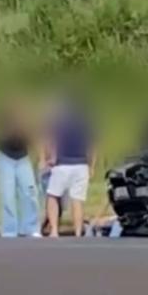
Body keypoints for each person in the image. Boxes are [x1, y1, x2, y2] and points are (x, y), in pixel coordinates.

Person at [42, 97, 96, 239]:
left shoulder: (59, 120)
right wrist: (91, 165)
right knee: (77, 200)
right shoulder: (87, 121)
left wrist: (51, 158)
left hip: (62, 164)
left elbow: (52, 140)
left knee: (53, 195)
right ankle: (78, 232)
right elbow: (92, 146)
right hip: (81, 164)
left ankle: (54, 230)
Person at [0, 98, 40, 238]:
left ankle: (30, 228)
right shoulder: (1, 119)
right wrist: (14, 126)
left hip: (23, 158)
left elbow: (33, 138)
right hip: (5, 157)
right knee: (7, 196)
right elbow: (0, 137)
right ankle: (9, 230)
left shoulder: (26, 123)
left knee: (30, 193)